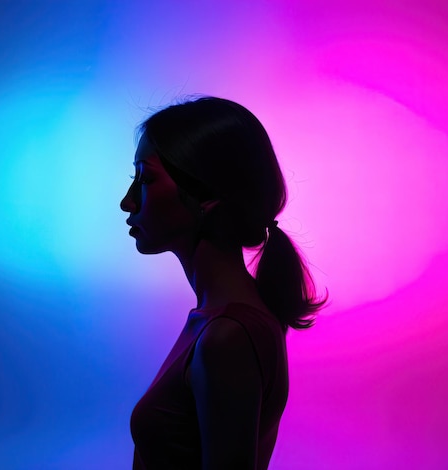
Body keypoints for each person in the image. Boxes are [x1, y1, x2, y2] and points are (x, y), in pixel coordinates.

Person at [120, 96, 327, 469]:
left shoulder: (227, 335)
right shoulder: (220, 321)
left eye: (146, 178)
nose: (127, 201)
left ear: (208, 196)